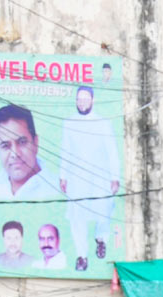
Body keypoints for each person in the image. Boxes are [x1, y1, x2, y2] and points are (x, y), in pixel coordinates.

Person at [60, 86, 121, 272]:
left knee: (105, 210)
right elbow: (66, 150)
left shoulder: (102, 123)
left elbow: (112, 150)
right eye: (79, 99)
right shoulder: (69, 122)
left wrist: (115, 176)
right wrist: (63, 176)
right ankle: (82, 255)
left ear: (92, 101)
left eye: (86, 99)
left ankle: (101, 239)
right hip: (76, 178)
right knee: (76, 217)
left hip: (100, 177)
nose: (82, 102)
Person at [0, 105, 61, 200]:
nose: (15, 154)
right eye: (5, 146)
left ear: (36, 143)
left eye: (22, 142)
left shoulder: (58, 189)